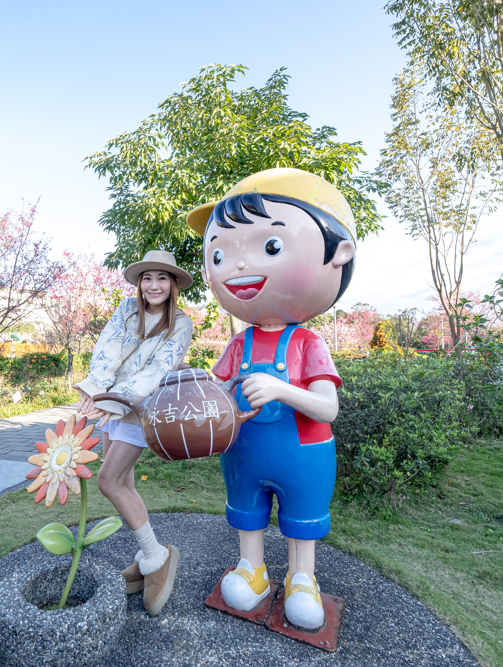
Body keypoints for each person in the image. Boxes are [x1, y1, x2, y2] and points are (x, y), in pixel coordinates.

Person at [186, 168, 356, 630]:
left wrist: (282, 389)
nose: (238, 266)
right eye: (220, 254)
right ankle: (253, 569)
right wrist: (194, 385)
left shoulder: (309, 344)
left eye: (271, 247)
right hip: (246, 449)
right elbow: (217, 388)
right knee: (247, 512)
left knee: (302, 518)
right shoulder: (238, 345)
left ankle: (303, 578)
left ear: (339, 254)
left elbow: (328, 408)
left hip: (304, 451)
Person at [73, 249, 193, 616]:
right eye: (147, 278)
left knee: (109, 481)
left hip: (142, 408)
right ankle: (145, 554)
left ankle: (157, 558)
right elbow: (107, 352)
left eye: (162, 278)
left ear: (173, 284)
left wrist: (110, 400)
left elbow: (156, 371)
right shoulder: (127, 309)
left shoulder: (181, 323)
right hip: (112, 403)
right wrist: (95, 392)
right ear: (139, 283)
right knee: (124, 482)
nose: (153, 285)